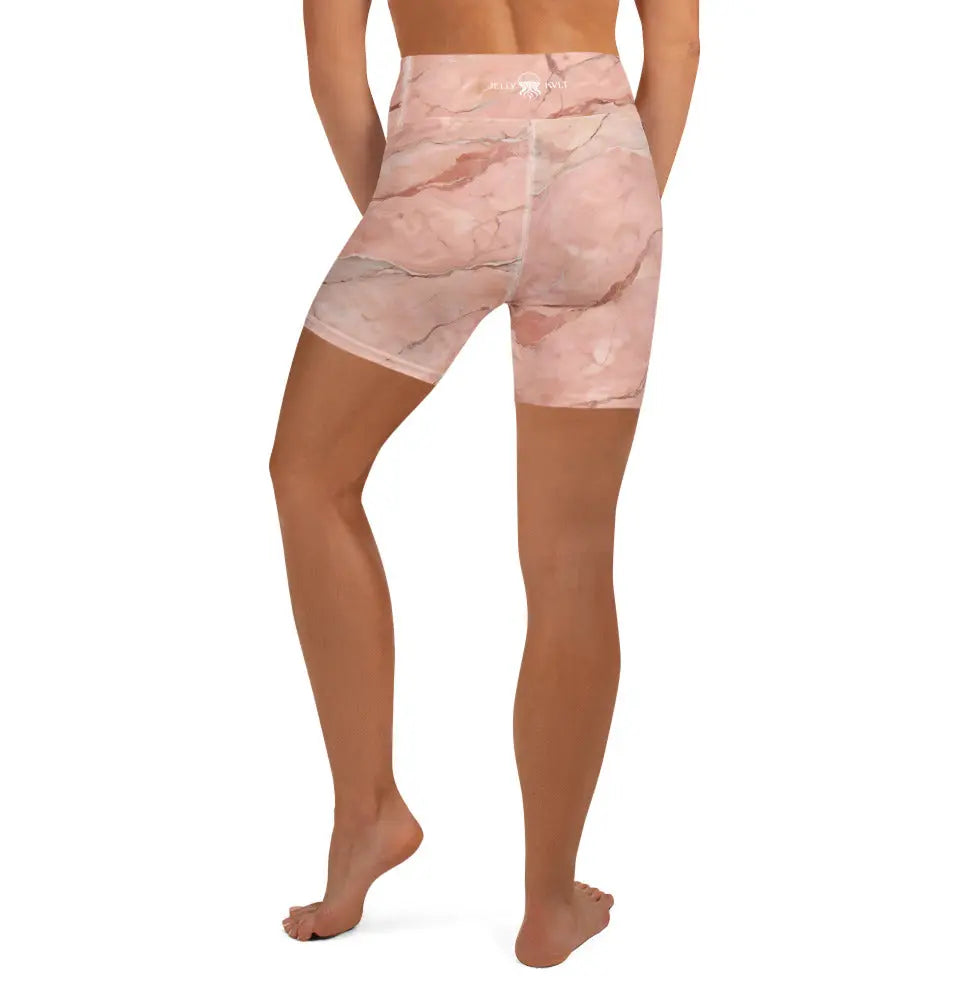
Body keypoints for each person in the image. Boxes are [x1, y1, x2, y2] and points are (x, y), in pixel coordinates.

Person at [272, 0, 699, 968]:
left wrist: (415, 223)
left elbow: (333, 66)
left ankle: (368, 814)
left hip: (444, 163)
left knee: (309, 475)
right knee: (573, 554)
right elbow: (677, 46)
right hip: (603, 161)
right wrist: (622, 205)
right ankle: (549, 904)